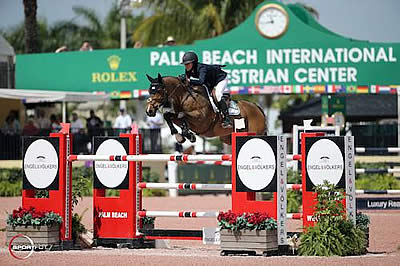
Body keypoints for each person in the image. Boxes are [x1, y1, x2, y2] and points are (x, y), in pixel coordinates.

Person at [180, 51, 232, 128]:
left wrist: (189, 80)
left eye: (188, 64)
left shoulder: (202, 68)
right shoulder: (189, 69)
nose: (186, 66)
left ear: (193, 63)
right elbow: (188, 82)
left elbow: (201, 81)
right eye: (185, 64)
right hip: (210, 82)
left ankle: (227, 119)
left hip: (220, 79)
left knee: (217, 95)